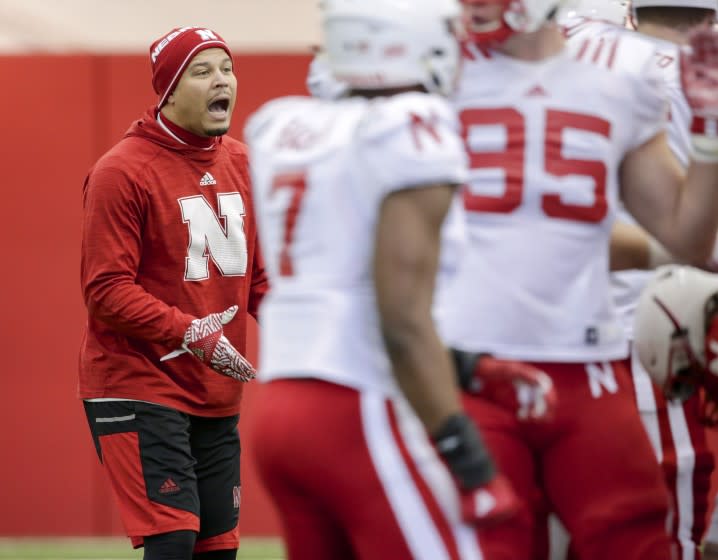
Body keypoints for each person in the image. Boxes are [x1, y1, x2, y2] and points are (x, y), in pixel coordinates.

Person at [242, 0, 559, 557]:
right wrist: (469, 458)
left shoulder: (286, 123)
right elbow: (401, 320)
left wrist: (464, 365)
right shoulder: (412, 129)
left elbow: (344, 285)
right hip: (356, 403)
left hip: (279, 407)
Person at [433, 0, 718, 558]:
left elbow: (686, 236)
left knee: (637, 540)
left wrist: (708, 138)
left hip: (589, 362)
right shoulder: (434, 66)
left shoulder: (617, 71)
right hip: (469, 363)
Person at [79, 26, 267, 560]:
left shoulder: (244, 163)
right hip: (137, 380)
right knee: (173, 542)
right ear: (168, 90)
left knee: (218, 548)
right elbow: (105, 289)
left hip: (214, 390)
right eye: (201, 71)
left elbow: (261, 276)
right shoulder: (121, 171)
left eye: (226, 68)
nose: (221, 80)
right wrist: (193, 334)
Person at [559, 2, 718, 558]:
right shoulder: (685, 75)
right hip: (651, 334)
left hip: (554, 337)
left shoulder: (571, 47)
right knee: (659, 533)